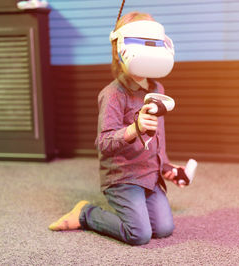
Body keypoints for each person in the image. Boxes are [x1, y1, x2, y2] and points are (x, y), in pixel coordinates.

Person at [48, 11, 185, 246]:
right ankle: (85, 214)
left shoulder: (157, 87)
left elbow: (157, 135)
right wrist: (134, 129)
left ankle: (141, 201)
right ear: (119, 48)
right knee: (138, 234)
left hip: (149, 176)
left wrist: (167, 168)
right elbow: (103, 143)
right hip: (123, 176)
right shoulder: (113, 94)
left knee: (163, 229)